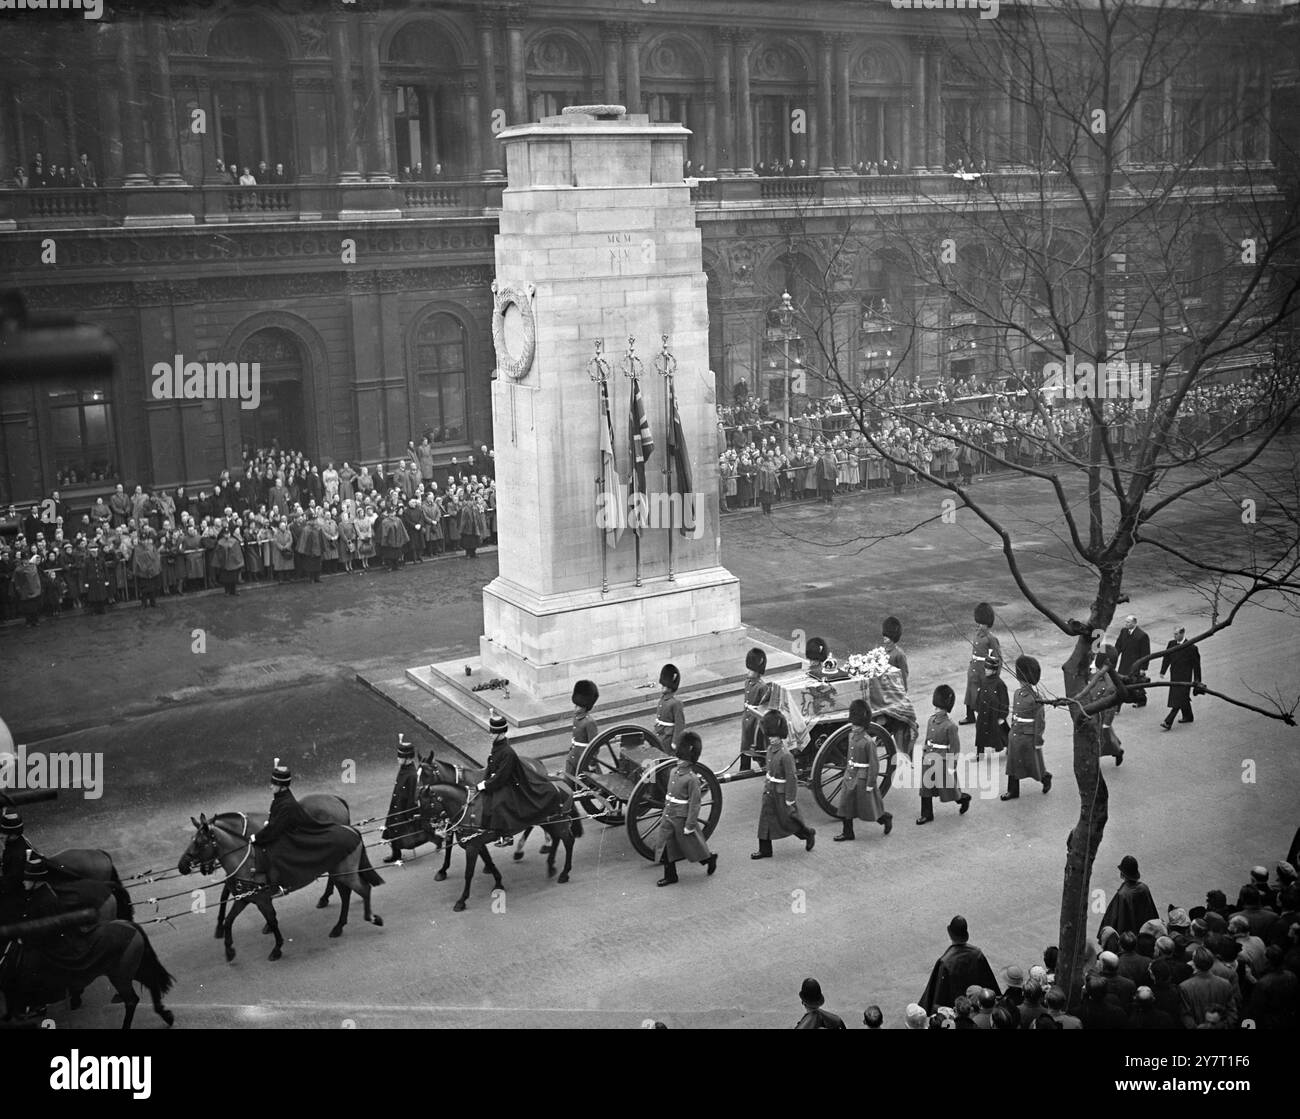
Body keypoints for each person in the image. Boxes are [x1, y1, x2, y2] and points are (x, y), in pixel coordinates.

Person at [475, 714, 560, 835]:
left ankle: (504, 834)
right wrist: (485, 781)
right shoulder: (497, 747)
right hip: (498, 781)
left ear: (502, 734)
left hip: (511, 785)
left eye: (493, 733)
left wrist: (486, 785)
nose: (490, 735)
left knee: (499, 803)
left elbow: (502, 777)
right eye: (491, 732)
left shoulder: (508, 752)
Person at [655, 731, 718, 886]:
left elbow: (695, 804)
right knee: (666, 846)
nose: (679, 761)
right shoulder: (673, 772)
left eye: (682, 759)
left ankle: (709, 859)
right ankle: (671, 876)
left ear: (689, 762)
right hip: (669, 815)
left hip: (682, 819)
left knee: (692, 846)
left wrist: (690, 825)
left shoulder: (692, 779)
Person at [752, 709, 815, 858]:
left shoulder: (786, 755)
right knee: (765, 818)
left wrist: (790, 798)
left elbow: (791, 777)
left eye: (776, 736)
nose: (772, 739)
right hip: (770, 790)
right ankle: (765, 849)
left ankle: (807, 833)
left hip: (780, 793)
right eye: (771, 736)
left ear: (781, 736)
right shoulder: (770, 750)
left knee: (788, 821)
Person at [834, 699, 893, 840]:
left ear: (863, 726)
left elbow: (874, 764)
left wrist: (870, 783)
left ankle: (885, 818)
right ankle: (848, 833)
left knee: (868, 806)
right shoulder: (851, 737)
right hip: (850, 775)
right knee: (845, 804)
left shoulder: (868, 742)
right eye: (853, 724)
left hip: (862, 777)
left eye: (857, 725)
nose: (854, 727)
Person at [920, 915, 1000, 1013]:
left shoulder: (945, 961)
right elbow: (989, 982)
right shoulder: (977, 954)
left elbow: (936, 995)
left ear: (950, 934)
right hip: (977, 1006)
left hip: (957, 1010)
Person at [917, 684, 971, 824]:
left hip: (942, 760)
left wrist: (952, 766)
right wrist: (924, 751)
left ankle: (963, 799)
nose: (937, 711)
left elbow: (955, 748)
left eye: (940, 708)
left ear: (946, 709)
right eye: (936, 708)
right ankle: (927, 814)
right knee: (925, 788)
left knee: (949, 789)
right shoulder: (931, 720)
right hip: (929, 757)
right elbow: (928, 738)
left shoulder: (950, 726)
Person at [1003, 654, 1052, 798]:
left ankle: (1045, 777)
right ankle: (1013, 790)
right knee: (1012, 764)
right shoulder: (1017, 693)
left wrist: (1038, 741)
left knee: (1033, 764)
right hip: (1016, 734)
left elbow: (1040, 722)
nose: (1021, 683)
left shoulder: (1036, 698)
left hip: (1028, 736)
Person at [381, 735, 420, 863]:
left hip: (403, 808)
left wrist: (409, 813)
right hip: (396, 804)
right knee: (392, 830)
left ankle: (397, 853)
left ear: (407, 758)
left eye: (400, 757)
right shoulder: (404, 769)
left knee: (400, 831)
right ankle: (396, 853)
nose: (398, 759)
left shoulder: (412, 775)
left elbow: (412, 796)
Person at [962, 602, 1001, 723]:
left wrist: (994, 674)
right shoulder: (976, 635)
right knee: (969, 693)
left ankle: (985, 716)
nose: (979, 626)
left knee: (982, 694)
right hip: (973, 668)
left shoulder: (991, 638)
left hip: (983, 670)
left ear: (988, 624)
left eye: (982, 624)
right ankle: (970, 716)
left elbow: (997, 657)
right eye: (978, 623)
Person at [1101, 855, 1159, 936]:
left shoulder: (1122, 895)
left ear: (1123, 873)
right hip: (1144, 938)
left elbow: (1112, 920)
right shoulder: (1144, 889)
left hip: (1128, 940)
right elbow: (1152, 914)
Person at [1179, 946, 1236, 1028]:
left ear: (1194, 963)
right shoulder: (1225, 984)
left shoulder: (1184, 987)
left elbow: (1185, 1015)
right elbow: (1232, 1014)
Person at [1159, 626, 1202, 730]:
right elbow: (1167, 657)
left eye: (1176, 634)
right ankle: (1188, 716)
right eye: (1174, 634)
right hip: (1174, 676)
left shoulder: (1191, 647)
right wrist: (1162, 671)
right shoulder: (1171, 644)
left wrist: (1197, 680)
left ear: (1182, 634)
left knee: (1179, 698)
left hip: (1185, 678)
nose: (1174, 636)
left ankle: (1168, 721)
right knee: (1182, 697)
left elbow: (1196, 666)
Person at [739, 647, 770, 773]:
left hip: (755, 721)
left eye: (752, 670)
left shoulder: (762, 686)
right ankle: (744, 769)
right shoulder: (748, 682)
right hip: (746, 719)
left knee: (756, 746)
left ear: (758, 672)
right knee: (745, 745)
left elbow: (763, 707)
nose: (749, 672)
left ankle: (764, 766)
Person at [973, 652, 1009, 759]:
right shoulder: (984, 680)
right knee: (980, 733)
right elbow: (980, 694)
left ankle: (1010, 747)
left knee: (1001, 733)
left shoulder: (1000, 684)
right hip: (983, 712)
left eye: (988, 669)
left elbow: (1004, 701)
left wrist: (1002, 716)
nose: (986, 670)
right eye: (985, 668)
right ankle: (980, 754)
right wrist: (977, 707)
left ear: (994, 670)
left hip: (995, 714)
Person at [565, 679, 600, 776]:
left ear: (585, 707)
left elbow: (594, 745)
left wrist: (592, 763)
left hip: (584, 758)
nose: (575, 708)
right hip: (574, 755)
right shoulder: (576, 718)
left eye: (578, 706)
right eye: (575, 705)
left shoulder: (589, 722)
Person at [1115, 614, 1151, 706]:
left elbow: (1146, 653)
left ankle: (1141, 700)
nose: (1126, 624)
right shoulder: (1123, 631)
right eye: (1125, 622)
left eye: (1128, 622)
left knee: (1135, 683)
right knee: (1121, 683)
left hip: (1135, 664)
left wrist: (1143, 668)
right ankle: (1118, 705)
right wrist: (1114, 655)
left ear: (1134, 623)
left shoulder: (1142, 636)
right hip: (1124, 663)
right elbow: (1118, 645)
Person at [654, 663, 686, 750]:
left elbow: (680, 725)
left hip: (668, 738)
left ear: (670, 687)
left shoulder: (676, 703)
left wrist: (675, 742)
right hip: (660, 735)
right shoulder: (662, 699)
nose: (662, 687)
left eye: (664, 686)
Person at [214, 524, 245, 595]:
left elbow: (237, 552)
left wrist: (236, 560)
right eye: (225, 534)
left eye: (228, 534)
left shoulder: (234, 541)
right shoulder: (220, 542)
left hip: (233, 563)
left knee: (234, 577)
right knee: (226, 578)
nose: (227, 535)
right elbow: (218, 553)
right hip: (225, 563)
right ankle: (227, 591)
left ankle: (234, 590)